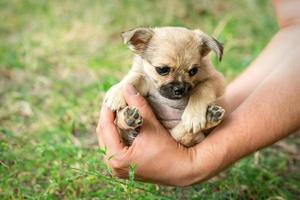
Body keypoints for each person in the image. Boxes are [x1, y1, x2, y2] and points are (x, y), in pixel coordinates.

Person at [97, 0, 300, 186]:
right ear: (138, 43)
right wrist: (121, 89)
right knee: (126, 118)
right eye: (163, 70)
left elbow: (215, 82)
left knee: (187, 128)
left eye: (191, 71)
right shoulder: (143, 59)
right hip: (148, 127)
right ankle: (130, 122)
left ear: (203, 53)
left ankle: (195, 130)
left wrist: (198, 158)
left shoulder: (202, 58)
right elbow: (295, 25)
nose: (178, 85)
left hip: (180, 133)